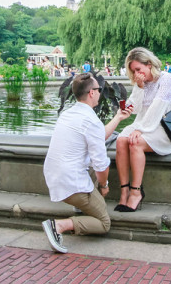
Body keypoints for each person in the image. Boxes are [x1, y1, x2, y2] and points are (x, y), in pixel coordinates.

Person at [41, 73, 130, 252]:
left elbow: (98, 134)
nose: (100, 92)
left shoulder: (68, 114)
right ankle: (58, 226)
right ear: (91, 93)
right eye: (99, 89)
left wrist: (119, 117)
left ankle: (80, 206)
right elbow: (101, 166)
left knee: (84, 162)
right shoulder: (90, 120)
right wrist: (104, 186)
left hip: (54, 176)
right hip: (71, 184)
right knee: (104, 222)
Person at [115, 47, 171, 213]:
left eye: (139, 69)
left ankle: (135, 192)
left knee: (135, 143)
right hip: (146, 123)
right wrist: (139, 87)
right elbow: (136, 108)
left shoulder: (165, 79)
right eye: (133, 71)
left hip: (169, 125)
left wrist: (141, 129)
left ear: (149, 64)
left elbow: (158, 108)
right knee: (121, 140)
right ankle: (124, 191)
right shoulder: (141, 82)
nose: (137, 73)